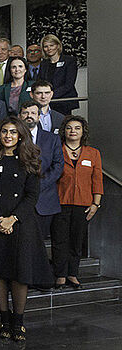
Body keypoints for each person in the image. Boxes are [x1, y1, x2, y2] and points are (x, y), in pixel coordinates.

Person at [0, 117, 52, 342]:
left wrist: (12, 219)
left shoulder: (30, 161)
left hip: (21, 224)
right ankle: (4, 319)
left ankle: (18, 321)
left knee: (19, 273)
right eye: (5, 131)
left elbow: (32, 196)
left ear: (21, 136)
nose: (8, 136)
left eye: (13, 132)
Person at [52, 116, 103, 289]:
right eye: (69, 128)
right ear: (64, 131)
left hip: (84, 204)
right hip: (60, 202)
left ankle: (72, 273)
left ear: (83, 132)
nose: (73, 131)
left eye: (77, 128)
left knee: (76, 240)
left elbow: (97, 179)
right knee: (59, 240)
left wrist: (96, 204)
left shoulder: (93, 153)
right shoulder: (56, 150)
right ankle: (59, 274)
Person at [19, 101, 64, 240]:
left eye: (33, 113)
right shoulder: (12, 138)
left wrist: (38, 185)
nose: (29, 116)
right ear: (20, 116)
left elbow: (58, 166)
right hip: (18, 200)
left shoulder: (52, 139)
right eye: (25, 113)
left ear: (39, 116)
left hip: (44, 200)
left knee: (40, 245)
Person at [39, 34, 79, 114]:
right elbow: (40, 81)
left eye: (51, 45)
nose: (49, 48)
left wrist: (50, 95)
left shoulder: (69, 61)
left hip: (63, 101)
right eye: (46, 46)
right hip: (47, 102)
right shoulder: (44, 64)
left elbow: (69, 84)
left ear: (58, 46)